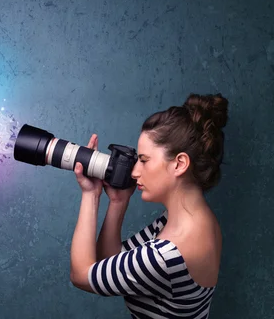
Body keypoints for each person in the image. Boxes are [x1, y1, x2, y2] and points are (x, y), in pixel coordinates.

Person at [68, 93, 228, 318]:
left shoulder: (168, 254)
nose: (135, 172)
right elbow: (110, 261)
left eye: (144, 160)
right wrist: (118, 201)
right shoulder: (190, 221)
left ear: (179, 163)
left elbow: (81, 275)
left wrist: (90, 195)